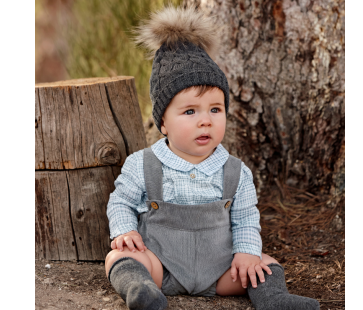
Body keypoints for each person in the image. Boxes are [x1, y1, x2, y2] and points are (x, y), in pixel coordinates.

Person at [105, 5, 320, 310]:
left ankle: (274, 300)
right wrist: (125, 230)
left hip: (220, 270)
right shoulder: (143, 164)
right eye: (190, 111)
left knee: (264, 263)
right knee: (119, 257)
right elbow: (121, 201)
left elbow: (246, 217)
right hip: (160, 264)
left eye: (215, 109)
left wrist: (246, 252)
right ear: (163, 122)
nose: (205, 120)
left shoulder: (236, 171)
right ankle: (141, 290)